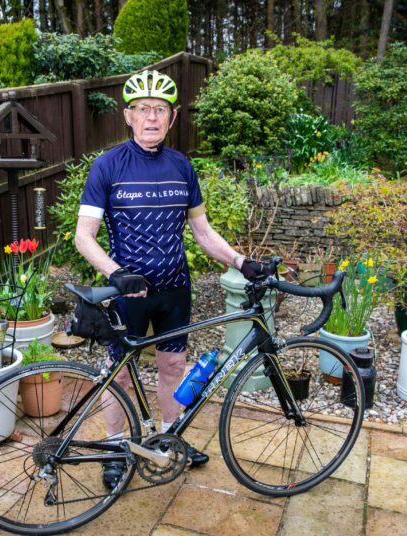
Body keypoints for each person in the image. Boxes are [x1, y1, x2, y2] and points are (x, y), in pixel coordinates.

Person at [74, 69, 265, 490]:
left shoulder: (181, 166)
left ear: (172, 117)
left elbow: (202, 231)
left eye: (160, 110)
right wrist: (116, 273)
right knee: (118, 373)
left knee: (173, 365)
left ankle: (169, 438)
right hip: (128, 292)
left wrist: (240, 260)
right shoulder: (108, 166)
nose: (152, 118)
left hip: (175, 287)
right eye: (143, 109)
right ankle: (118, 446)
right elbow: (83, 237)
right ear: (128, 115)